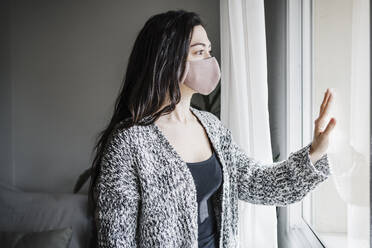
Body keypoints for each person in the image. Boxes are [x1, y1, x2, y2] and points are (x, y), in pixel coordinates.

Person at [87, 9, 336, 248]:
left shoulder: (211, 126)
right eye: (199, 52)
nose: (210, 61)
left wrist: (314, 152)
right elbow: (116, 240)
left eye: (209, 51)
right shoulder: (128, 143)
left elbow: (259, 183)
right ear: (167, 60)